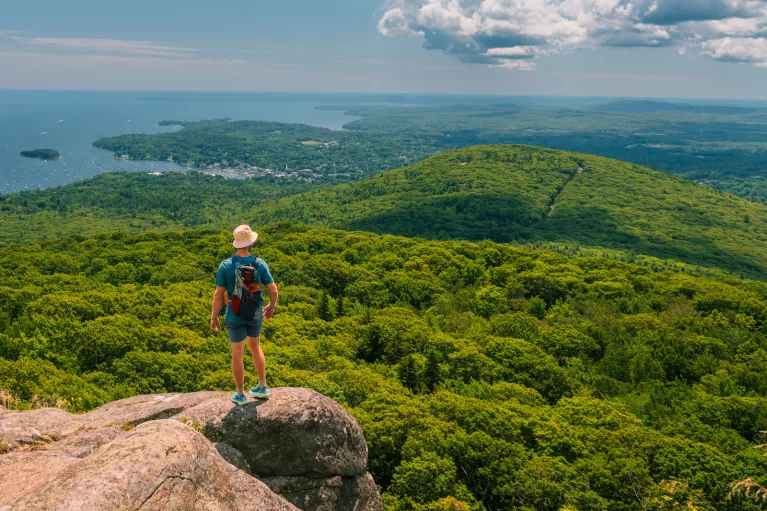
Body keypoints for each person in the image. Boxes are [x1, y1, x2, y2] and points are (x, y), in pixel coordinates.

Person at [210, 225, 278, 405]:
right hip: (255, 312)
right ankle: (262, 387)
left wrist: (214, 316)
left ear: (236, 243)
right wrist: (271, 306)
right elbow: (273, 289)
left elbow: (218, 295)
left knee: (237, 355)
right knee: (255, 347)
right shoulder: (259, 263)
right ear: (251, 243)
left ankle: (240, 394)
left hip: (235, 313)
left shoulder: (226, 265)